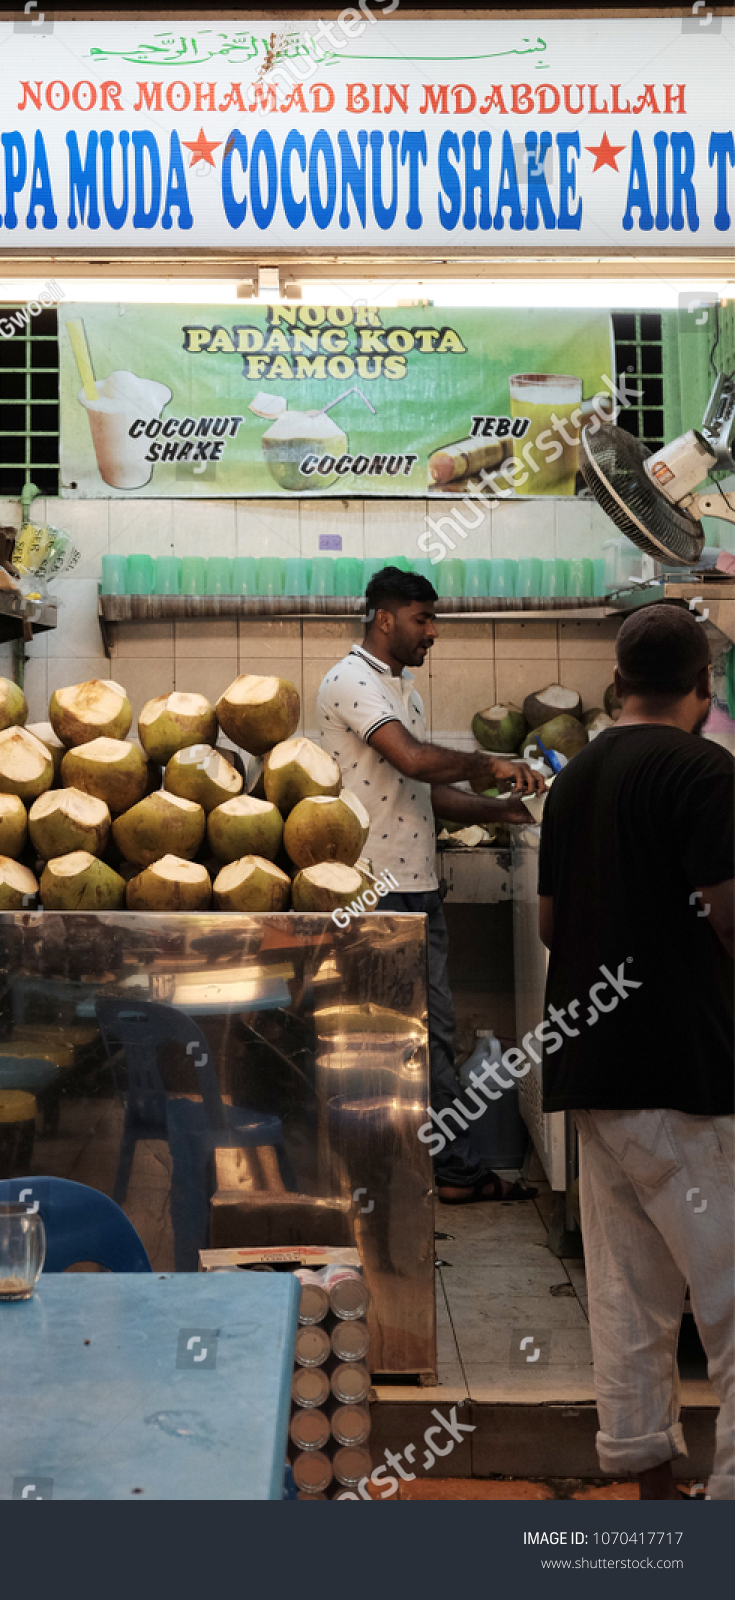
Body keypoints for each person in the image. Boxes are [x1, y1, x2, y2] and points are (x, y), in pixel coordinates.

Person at [538, 600, 733, 1501]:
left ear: (617, 684)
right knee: (729, 1302)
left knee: (628, 1300)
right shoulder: (706, 772)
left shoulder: (574, 777)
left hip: (595, 1072)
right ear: (704, 686)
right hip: (687, 1073)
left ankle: (654, 1497)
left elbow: (550, 923)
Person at [318, 566, 545, 1203]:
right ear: (385, 619)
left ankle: (450, 1171)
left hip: (418, 885)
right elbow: (414, 758)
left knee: (432, 1033)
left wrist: (508, 809)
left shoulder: (405, 691)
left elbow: (426, 789)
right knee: (378, 1037)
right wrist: (489, 763)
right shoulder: (350, 681)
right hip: (370, 886)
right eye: (422, 620)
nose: (432, 632)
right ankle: (370, 1174)